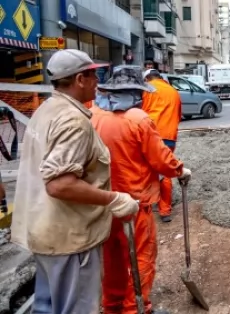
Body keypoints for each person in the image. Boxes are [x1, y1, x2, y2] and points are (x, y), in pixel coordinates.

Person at [10, 49, 139, 313]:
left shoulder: (47, 109)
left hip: (45, 232)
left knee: (47, 307)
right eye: (94, 75)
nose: (98, 82)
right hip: (70, 239)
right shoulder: (73, 121)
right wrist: (114, 199)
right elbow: (60, 183)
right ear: (80, 79)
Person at [91, 65, 191, 314]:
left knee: (112, 259)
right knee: (140, 259)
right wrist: (180, 170)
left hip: (104, 201)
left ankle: (112, 306)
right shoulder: (138, 120)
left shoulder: (92, 115)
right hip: (135, 203)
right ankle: (135, 308)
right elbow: (160, 160)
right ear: (136, 92)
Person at [142, 69, 182, 222]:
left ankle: (146, 205)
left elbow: (140, 113)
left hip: (150, 135)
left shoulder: (146, 90)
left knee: (146, 169)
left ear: (147, 78)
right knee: (165, 171)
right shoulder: (173, 91)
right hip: (169, 137)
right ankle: (165, 211)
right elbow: (178, 115)